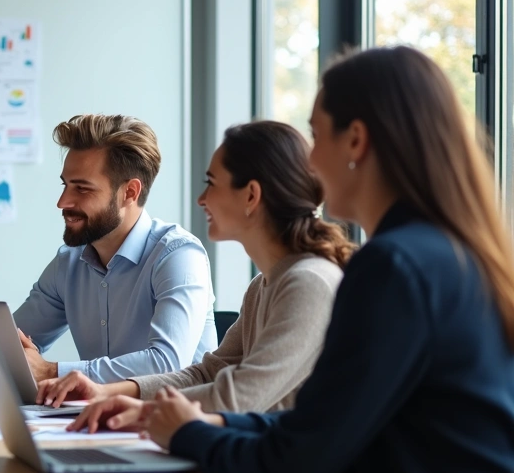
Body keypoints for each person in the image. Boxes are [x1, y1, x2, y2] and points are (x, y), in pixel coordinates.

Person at [144, 47, 514, 473]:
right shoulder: (448, 254)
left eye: (317, 135)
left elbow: (297, 459)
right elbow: (322, 424)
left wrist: (189, 435)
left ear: (356, 140)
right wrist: (211, 423)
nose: (311, 161)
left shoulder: (392, 267)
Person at [35, 121, 351, 431]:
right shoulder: (263, 285)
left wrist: (141, 409)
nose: (202, 199)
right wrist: (107, 391)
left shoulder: (308, 282)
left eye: (211, 183)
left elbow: (239, 395)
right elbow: (206, 374)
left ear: (251, 196)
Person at [13, 114, 217, 384]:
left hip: (176, 420)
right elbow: (12, 344)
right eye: (65, 185)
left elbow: (167, 364)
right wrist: (4, 353)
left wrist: (53, 372)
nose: (63, 202)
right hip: (99, 421)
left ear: (130, 193)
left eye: (82, 189)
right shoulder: (69, 263)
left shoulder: (179, 255)